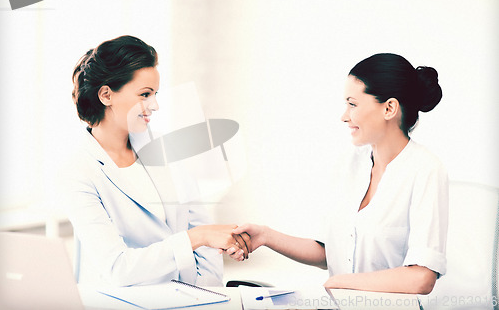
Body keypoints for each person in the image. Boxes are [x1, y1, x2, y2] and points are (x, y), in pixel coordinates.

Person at [233, 53, 448, 295]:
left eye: (353, 104)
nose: (344, 116)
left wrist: (341, 282)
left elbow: (422, 278)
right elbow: (332, 252)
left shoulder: (426, 170)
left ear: (389, 108)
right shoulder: (350, 163)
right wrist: (265, 236)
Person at [62, 35, 249, 287]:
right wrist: (197, 237)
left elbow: (201, 228)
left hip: (189, 297)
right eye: (145, 94)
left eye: (155, 94)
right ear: (106, 95)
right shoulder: (79, 171)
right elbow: (118, 268)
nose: (155, 105)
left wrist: (204, 293)